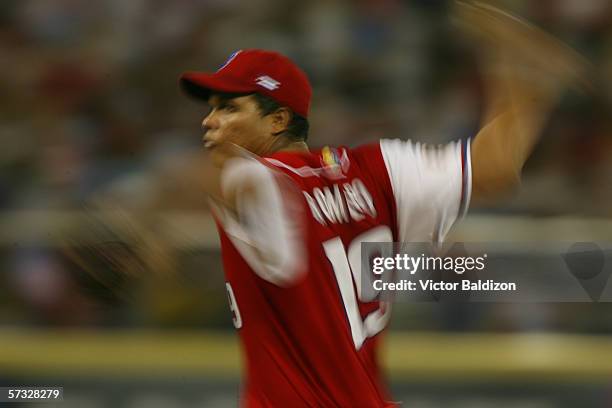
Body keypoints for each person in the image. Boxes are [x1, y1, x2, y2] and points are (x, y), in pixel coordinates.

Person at [177, 3, 588, 407]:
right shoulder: (376, 169)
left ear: (278, 121)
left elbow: (216, 183)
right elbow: (494, 170)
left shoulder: (255, 178)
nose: (209, 121)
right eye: (212, 109)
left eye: (229, 108)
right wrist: (525, 84)